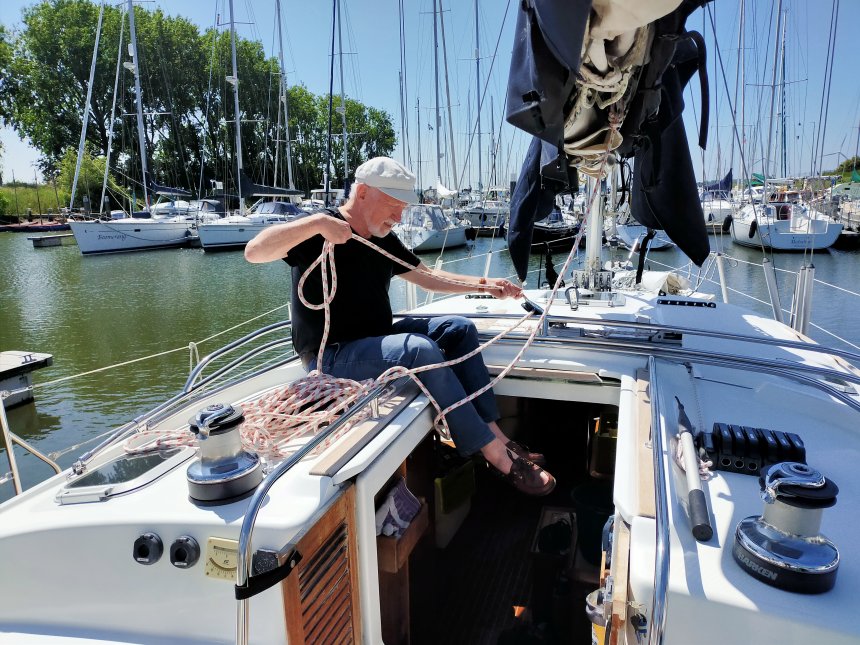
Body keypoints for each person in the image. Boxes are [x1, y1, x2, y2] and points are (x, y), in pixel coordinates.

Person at [245, 157, 555, 496]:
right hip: (332, 356)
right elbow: (254, 252)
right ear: (362, 193)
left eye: (403, 209)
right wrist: (316, 223)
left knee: (459, 328)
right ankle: (494, 455)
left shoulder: (383, 239)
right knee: (419, 349)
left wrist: (485, 285)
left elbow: (428, 277)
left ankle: (498, 435)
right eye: (394, 207)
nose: (399, 217)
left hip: (375, 340)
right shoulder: (319, 230)